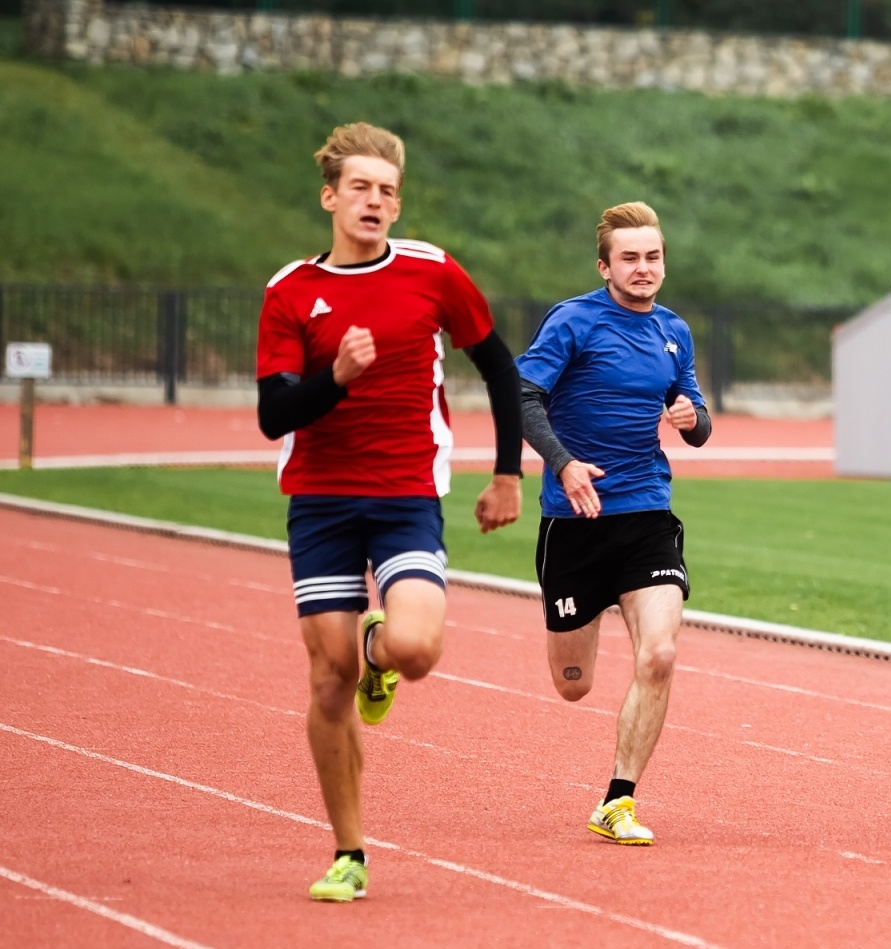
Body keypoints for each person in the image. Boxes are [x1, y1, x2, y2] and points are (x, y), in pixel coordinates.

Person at [256, 122, 525, 902]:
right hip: (321, 502)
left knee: (413, 649)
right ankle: (350, 853)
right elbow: (276, 415)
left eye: (388, 192)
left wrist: (507, 474)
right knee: (327, 681)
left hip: (406, 493)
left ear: (397, 206)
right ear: (330, 197)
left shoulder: (433, 272)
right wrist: (335, 379)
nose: (375, 201)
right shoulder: (289, 293)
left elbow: (500, 366)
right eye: (361, 188)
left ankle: (379, 650)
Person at [516, 201, 711, 846]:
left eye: (652, 256)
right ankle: (589, 610)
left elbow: (698, 417)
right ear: (605, 266)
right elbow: (520, 397)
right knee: (573, 686)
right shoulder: (573, 321)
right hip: (574, 519)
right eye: (629, 257)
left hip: (646, 513)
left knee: (659, 653)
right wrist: (565, 465)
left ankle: (618, 799)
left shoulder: (674, 332)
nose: (643, 267)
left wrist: (692, 419)